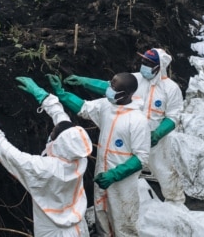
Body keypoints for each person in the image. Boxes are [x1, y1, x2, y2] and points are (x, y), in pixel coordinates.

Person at [0, 78, 93, 237]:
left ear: (59, 145)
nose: (51, 136)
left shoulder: (46, 169)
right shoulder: (78, 156)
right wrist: (45, 98)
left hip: (56, 232)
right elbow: (64, 124)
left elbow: (15, 157)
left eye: (53, 136)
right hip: (79, 226)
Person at [62, 48, 186, 206]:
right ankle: (124, 207)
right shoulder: (135, 79)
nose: (144, 65)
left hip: (156, 142)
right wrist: (84, 81)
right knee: (127, 174)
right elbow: (110, 87)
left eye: (148, 63)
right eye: (143, 61)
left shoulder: (171, 89)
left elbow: (173, 116)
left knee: (165, 171)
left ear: (159, 66)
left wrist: (157, 134)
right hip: (130, 137)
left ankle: (176, 202)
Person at [40, 72, 150, 237]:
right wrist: (61, 93)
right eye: (110, 84)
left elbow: (141, 158)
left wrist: (114, 174)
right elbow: (83, 107)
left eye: (113, 87)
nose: (109, 89)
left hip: (122, 182)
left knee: (123, 220)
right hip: (101, 172)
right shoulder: (107, 105)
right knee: (101, 211)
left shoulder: (138, 120)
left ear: (126, 94)